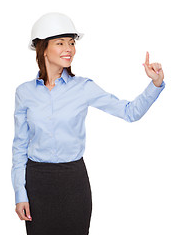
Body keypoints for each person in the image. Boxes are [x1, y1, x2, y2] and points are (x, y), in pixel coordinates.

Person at [11, 12, 165, 235]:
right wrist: (20, 194)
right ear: (43, 48)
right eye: (60, 43)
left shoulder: (84, 88)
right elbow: (19, 148)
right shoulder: (24, 93)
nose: (69, 49)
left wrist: (156, 84)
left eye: (72, 43)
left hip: (73, 182)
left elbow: (129, 112)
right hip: (37, 182)